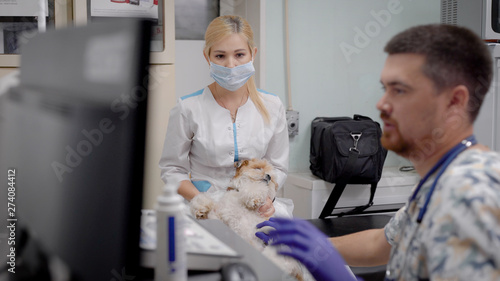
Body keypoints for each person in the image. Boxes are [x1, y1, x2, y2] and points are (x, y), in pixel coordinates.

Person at [256, 24, 500, 281]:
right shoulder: (439, 184)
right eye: (385, 89)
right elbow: (382, 244)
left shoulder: (473, 195)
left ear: (454, 102)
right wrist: (317, 248)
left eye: (401, 90)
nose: (381, 104)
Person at [159, 15, 292, 218]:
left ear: (252, 54)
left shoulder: (272, 106)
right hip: (204, 207)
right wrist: (203, 202)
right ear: (207, 57)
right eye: (220, 56)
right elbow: (172, 170)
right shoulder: (188, 108)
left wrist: (266, 198)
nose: (231, 65)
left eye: (239, 55)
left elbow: (278, 166)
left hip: (255, 206)